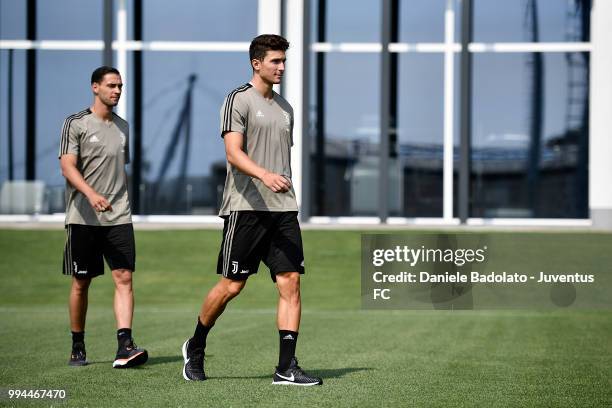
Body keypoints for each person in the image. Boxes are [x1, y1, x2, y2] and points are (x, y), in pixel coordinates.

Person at [182, 34, 322, 386]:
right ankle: (196, 346)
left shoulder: (285, 108)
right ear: (256, 63)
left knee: (290, 283)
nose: (282, 67)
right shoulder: (237, 100)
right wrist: (264, 175)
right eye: (275, 61)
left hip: (283, 209)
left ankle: (285, 367)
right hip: (246, 208)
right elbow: (234, 153)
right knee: (232, 286)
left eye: (284, 61)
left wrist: (280, 183)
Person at [59, 66, 148, 368]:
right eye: (111, 85)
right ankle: (77, 344)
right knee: (81, 282)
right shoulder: (76, 124)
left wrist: (117, 199)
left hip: (119, 216)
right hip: (83, 218)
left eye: (120, 86)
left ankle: (125, 344)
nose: (117, 91)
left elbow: (121, 168)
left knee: (124, 277)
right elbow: (68, 167)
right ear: (94, 87)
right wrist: (91, 194)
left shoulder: (123, 127)